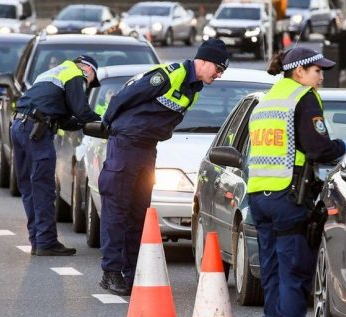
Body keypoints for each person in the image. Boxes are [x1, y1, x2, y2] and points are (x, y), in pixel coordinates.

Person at [99, 38, 229, 296]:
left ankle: (132, 271)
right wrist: (110, 125)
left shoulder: (194, 88)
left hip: (147, 148)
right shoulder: (170, 75)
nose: (219, 74)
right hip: (126, 145)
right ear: (203, 60)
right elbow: (125, 97)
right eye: (218, 68)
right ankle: (111, 273)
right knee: (117, 209)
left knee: (139, 213)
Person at [247, 47, 346, 317]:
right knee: (293, 269)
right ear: (299, 71)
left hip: (259, 196)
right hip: (288, 196)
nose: (321, 78)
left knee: (271, 268)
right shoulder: (303, 99)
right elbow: (318, 149)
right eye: (318, 71)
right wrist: (341, 147)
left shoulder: (267, 101)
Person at [12, 55, 101, 256]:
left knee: (30, 188)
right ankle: (46, 242)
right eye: (90, 80)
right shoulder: (74, 74)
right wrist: (103, 123)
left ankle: (37, 241)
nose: (87, 84)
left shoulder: (48, 74)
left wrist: (79, 124)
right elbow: (82, 111)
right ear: (88, 69)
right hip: (36, 132)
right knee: (43, 187)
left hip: (19, 126)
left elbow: (59, 116)